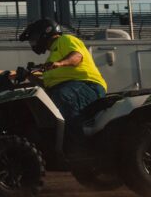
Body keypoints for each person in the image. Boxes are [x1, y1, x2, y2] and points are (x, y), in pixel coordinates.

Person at [19, 18, 107, 152]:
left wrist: (60, 63)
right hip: (68, 87)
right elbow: (47, 86)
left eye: (34, 38)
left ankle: (80, 149)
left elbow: (77, 56)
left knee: (62, 97)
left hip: (87, 84)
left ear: (45, 33)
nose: (33, 43)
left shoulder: (65, 40)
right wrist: (30, 77)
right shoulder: (52, 57)